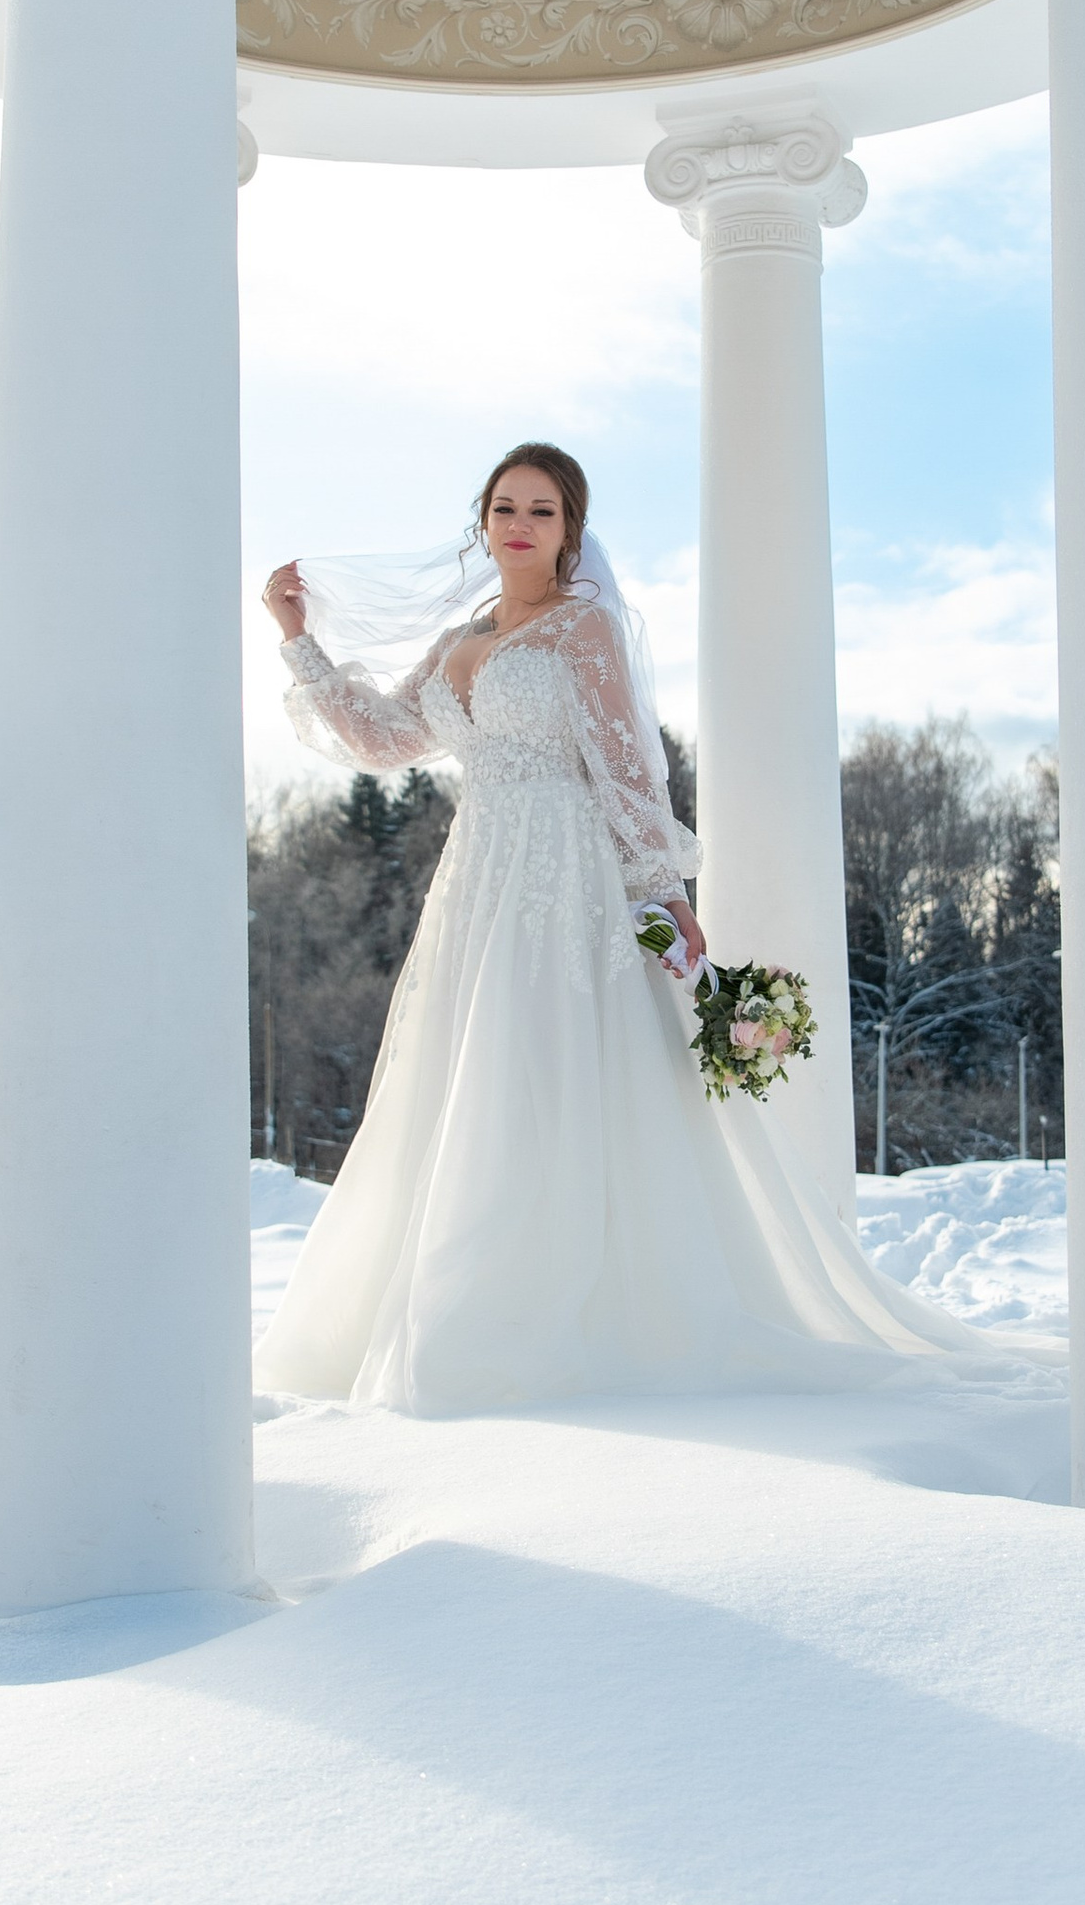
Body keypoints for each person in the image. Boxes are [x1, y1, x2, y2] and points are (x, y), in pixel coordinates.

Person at [255, 441, 998, 1411]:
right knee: (469, 1068)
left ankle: (573, 1311)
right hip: (477, 879)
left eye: (545, 510)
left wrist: (668, 905)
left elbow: (626, 773)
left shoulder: (583, 630)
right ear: (482, 523)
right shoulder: (455, 643)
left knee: (566, 1061)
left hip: (571, 876)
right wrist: (296, 636)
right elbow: (384, 738)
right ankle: (452, 1299)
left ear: (569, 531)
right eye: (506, 506)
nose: (521, 523)